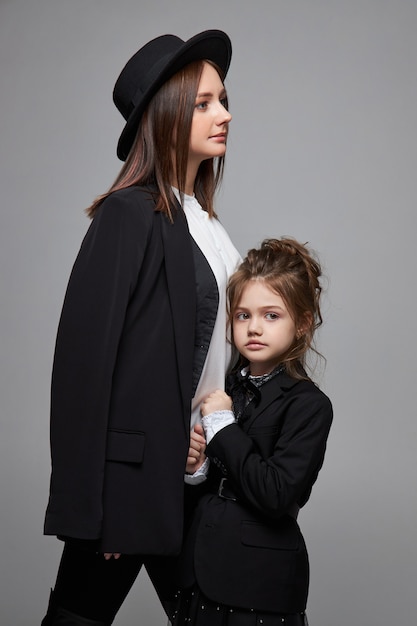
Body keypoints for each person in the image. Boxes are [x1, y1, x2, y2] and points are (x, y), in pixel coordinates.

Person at [40, 30, 241, 625]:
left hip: (199, 476)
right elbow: (82, 369)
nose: (224, 114)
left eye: (224, 99)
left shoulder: (208, 224)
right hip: (130, 490)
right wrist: (91, 511)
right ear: (167, 114)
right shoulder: (129, 214)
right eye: (204, 102)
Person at [171, 238, 333, 626]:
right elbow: (216, 478)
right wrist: (196, 467)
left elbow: (276, 493)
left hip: (260, 583)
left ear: (303, 323)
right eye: (242, 315)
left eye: (271, 315)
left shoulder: (308, 405)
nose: (254, 327)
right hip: (197, 573)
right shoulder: (222, 387)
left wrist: (221, 427)